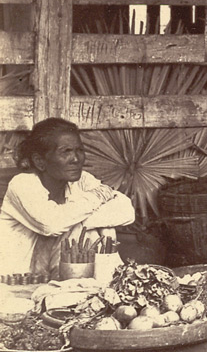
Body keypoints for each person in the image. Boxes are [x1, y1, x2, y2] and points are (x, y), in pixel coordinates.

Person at [0, 118, 135, 277]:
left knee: (102, 228)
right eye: (66, 152)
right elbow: (52, 224)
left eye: (79, 150)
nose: (76, 159)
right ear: (39, 161)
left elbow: (126, 212)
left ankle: (106, 281)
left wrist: (75, 218)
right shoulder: (22, 184)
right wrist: (96, 198)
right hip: (18, 279)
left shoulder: (82, 180)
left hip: (65, 273)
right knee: (84, 227)